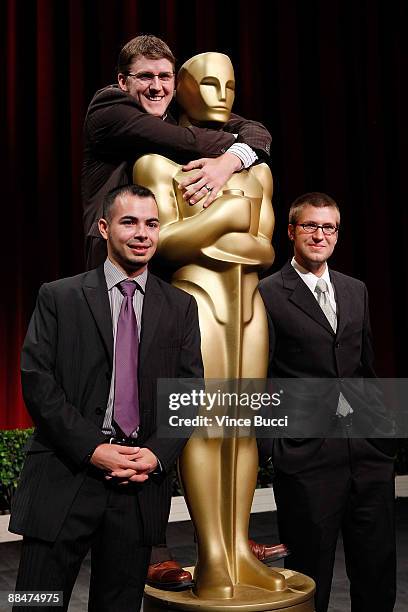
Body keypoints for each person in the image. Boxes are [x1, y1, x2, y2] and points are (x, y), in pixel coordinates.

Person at [133, 52, 288, 600]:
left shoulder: (257, 168)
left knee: (242, 430)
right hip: (196, 299)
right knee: (202, 427)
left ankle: (241, 550)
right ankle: (214, 558)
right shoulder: (157, 164)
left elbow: (265, 248)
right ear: (183, 90)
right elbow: (165, 242)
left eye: (229, 82)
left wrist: (210, 230)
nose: (220, 92)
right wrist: (225, 217)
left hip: (250, 307)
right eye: (207, 82)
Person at [9, 184, 203, 612]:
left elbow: (189, 394)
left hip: (138, 484)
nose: (142, 233)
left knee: (119, 604)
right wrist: (93, 449)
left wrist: (155, 456)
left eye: (151, 223)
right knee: (34, 602)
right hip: (65, 476)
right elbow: (38, 381)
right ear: (104, 227)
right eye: (129, 221)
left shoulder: (181, 307)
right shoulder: (58, 296)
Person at [258, 192, 397, 612]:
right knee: (309, 578)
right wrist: (276, 451)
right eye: (310, 226)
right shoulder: (266, 294)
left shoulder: (356, 290)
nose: (320, 235)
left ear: (337, 234)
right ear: (291, 232)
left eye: (329, 227)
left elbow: (365, 369)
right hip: (307, 459)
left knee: (376, 572)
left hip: (367, 457)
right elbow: (261, 381)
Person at [82, 34, 272, 271]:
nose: (156, 87)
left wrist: (231, 161)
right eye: (145, 76)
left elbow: (257, 131)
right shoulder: (109, 107)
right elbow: (185, 141)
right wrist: (234, 142)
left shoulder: (174, 107)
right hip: (115, 254)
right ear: (122, 81)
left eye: (165, 76)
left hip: (168, 260)